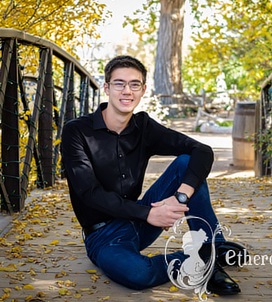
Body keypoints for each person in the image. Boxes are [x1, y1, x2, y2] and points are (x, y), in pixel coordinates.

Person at [61, 55, 243, 295]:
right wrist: (150, 213)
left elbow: (202, 151)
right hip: (103, 235)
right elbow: (90, 194)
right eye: (119, 83)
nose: (127, 91)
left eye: (134, 84)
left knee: (186, 163)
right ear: (106, 87)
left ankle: (213, 245)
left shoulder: (144, 127)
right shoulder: (76, 131)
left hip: (139, 221)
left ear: (143, 89)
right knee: (139, 274)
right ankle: (203, 256)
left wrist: (179, 198)